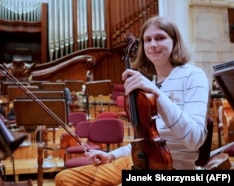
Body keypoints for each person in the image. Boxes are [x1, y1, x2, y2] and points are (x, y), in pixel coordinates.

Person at [55, 15, 210, 185]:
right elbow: (147, 142)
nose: (153, 45)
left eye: (160, 38)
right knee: (64, 179)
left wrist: (158, 94)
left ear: (174, 41)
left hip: (171, 168)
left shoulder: (194, 76)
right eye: (147, 40)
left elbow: (194, 140)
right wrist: (111, 155)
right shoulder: (150, 85)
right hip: (139, 163)